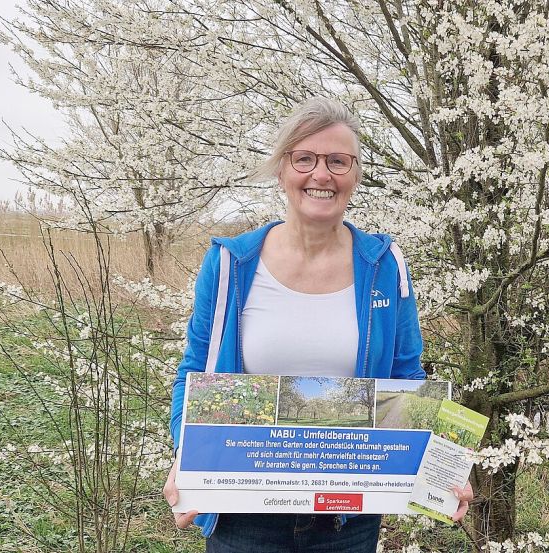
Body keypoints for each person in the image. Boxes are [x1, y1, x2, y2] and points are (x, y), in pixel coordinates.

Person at [163, 97, 473, 552]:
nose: (321, 174)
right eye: (304, 158)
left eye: (337, 161)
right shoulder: (231, 263)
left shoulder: (385, 265)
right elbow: (194, 374)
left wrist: (442, 470)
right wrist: (184, 455)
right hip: (243, 516)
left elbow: (408, 379)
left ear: (356, 173)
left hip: (347, 520)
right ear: (282, 169)